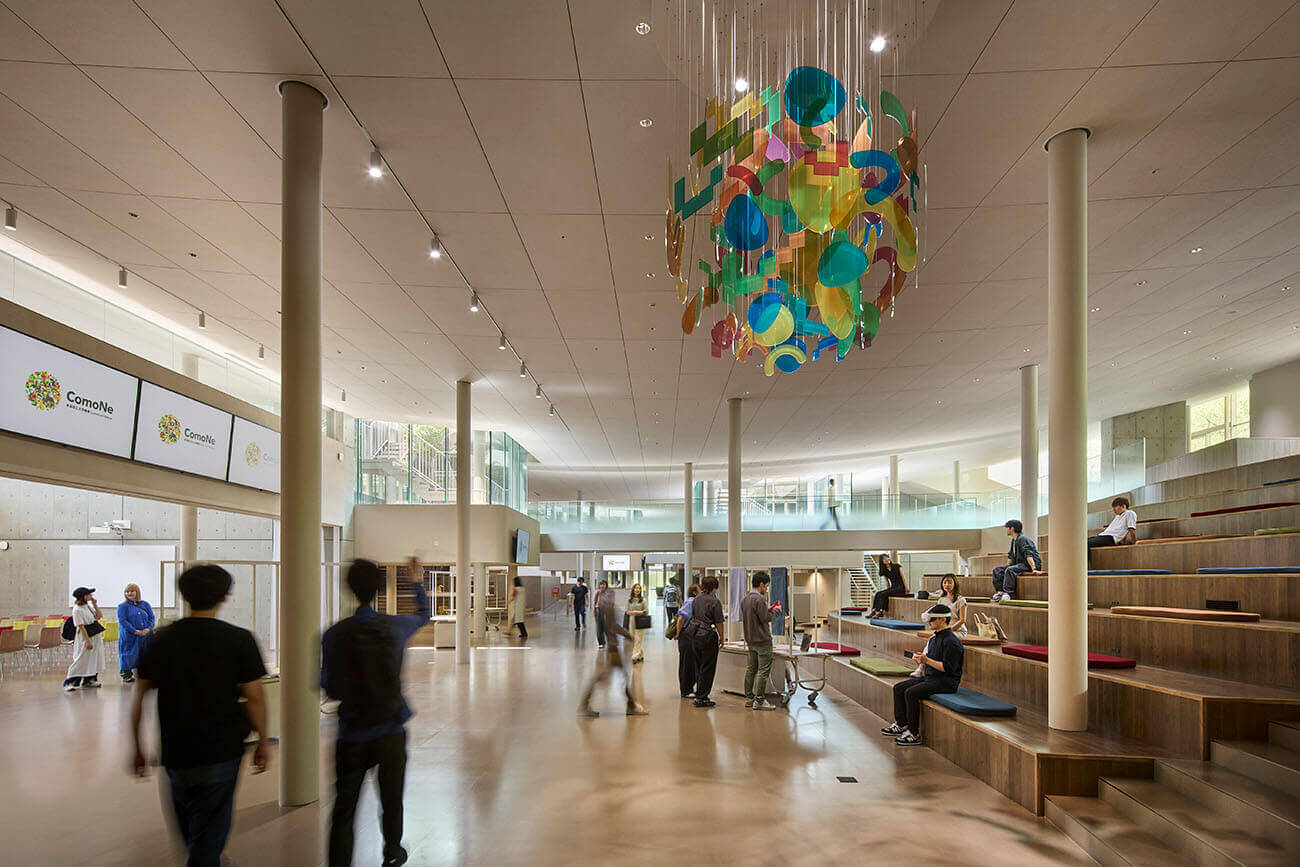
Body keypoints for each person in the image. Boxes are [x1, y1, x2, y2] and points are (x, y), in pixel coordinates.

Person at [131, 565, 269, 867]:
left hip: (176, 751)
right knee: (210, 831)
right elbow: (255, 697)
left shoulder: (162, 639)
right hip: (222, 749)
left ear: (184, 595)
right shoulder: (239, 639)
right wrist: (262, 741)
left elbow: (139, 697)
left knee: (192, 827)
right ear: (223, 597)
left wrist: (137, 748)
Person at [322, 557, 431, 867]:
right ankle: (393, 852)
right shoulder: (394, 626)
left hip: (351, 734)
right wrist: (417, 581)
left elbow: (329, 687)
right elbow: (423, 615)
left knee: (345, 807)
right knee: (392, 799)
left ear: (348, 588)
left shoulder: (334, 634)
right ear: (379, 588)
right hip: (390, 730)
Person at [882, 602, 964, 746]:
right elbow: (931, 660)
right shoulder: (934, 638)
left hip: (946, 682)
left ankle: (914, 734)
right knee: (898, 688)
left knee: (911, 693)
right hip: (932, 678)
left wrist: (926, 660)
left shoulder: (951, 642)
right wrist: (921, 659)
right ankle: (901, 724)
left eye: (933, 619)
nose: (929, 622)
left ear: (943, 619)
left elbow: (947, 668)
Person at [577, 584, 647, 717]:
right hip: (612, 648)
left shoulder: (603, 606)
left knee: (621, 675)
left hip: (612, 647)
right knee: (603, 675)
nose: (613, 598)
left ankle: (631, 705)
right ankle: (585, 704)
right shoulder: (608, 607)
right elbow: (612, 626)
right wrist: (628, 636)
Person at [681, 576, 724, 708]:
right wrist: (722, 637)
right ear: (714, 587)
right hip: (708, 636)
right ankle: (702, 697)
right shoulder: (715, 602)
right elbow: (719, 622)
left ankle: (698, 693)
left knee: (698, 665)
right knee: (708, 667)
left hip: (694, 635)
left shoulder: (696, 599)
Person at [740, 571, 782, 710]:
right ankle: (759, 701)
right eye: (766, 586)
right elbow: (765, 618)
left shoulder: (745, 599)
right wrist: (777, 611)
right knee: (763, 672)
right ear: (761, 584)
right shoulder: (760, 600)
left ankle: (749, 699)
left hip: (750, 640)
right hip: (762, 641)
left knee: (751, 669)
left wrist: (767, 610)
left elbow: (755, 616)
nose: (767, 589)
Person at [63, 586, 105, 691]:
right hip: (85, 636)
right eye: (89, 594)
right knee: (81, 659)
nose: (91, 596)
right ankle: (69, 681)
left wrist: (95, 605)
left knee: (94, 658)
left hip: (95, 634)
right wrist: (87, 641)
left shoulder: (88, 606)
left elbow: (99, 616)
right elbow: (81, 627)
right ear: (83, 596)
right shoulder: (77, 610)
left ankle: (89, 680)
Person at [992, 519, 1043, 602]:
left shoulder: (1023, 539)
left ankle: (1008, 594)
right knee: (997, 570)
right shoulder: (1014, 540)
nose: (1006, 530)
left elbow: (1028, 554)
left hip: (1028, 564)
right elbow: (1011, 556)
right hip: (1020, 564)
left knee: (1010, 570)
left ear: (1012, 528)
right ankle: (1000, 592)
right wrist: (1006, 567)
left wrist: (1034, 569)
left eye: (1007, 528)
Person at [117, 583, 155, 683]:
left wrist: (148, 629)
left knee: (145, 654)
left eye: (132, 591)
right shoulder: (122, 606)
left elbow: (152, 618)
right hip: (130, 634)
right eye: (127, 591)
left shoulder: (145, 604)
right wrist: (134, 631)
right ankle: (126, 675)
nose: (129, 593)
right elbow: (123, 620)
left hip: (145, 634)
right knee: (127, 654)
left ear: (137, 592)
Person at [676, 583, 701, 698]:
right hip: (686, 635)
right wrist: (678, 633)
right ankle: (686, 690)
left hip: (690, 635)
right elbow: (681, 619)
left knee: (691, 662)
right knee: (687, 663)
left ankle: (689, 687)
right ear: (694, 592)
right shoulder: (691, 602)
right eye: (700, 590)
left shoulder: (695, 602)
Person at [867, 554, 906, 619]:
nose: (886, 559)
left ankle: (881, 611)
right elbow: (887, 583)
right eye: (884, 559)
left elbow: (903, 578)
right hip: (893, 587)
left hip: (900, 587)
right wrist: (887, 590)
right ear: (882, 561)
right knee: (878, 593)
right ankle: (873, 611)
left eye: (887, 557)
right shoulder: (884, 571)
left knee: (884, 594)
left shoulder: (897, 566)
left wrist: (906, 588)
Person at [626, 583, 648, 663]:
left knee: (638, 639)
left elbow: (646, 611)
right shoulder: (630, 600)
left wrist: (637, 612)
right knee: (633, 638)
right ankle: (640, 655)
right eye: (636, 588)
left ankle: (635, 656)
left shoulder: (643, 600)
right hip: (632, 619)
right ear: (633, 590)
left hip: (640, 619)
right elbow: (627, 611)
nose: (637, 589)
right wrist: (632, 612)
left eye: (639, 588)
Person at [509, 574, 528, 639]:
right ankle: (524, 633)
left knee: (518, 621)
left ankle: (524, 633)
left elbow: (513, 596)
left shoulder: (516, 589)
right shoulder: (523, 588)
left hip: (518, 606)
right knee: (520, 620)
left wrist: (509, 601)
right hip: (522, 606)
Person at [593, 578, 610, 648]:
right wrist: (594, 610)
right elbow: (595, 602)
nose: (602, 586)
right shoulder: (598, 592)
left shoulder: (608, 593)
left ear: (606, 585)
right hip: (599, 610)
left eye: (604, 584)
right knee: (599, 627)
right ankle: (600, 642)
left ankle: (604, 641)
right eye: (601, 584)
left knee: (605, 626)